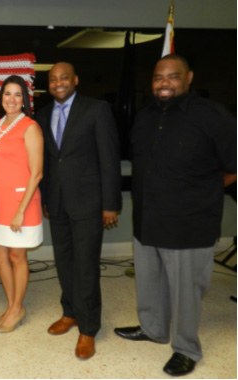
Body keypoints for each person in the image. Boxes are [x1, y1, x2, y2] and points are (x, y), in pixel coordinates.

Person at [114, 54, 236, 376]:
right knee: (150, 282)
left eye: (172, 76)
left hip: (188, 225)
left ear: (189, 77)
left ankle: (186, 349)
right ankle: (153, 329)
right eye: (158, 77)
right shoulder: (144, 116)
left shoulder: (212, 116)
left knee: (185, 293)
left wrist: (205, 189)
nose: (164, 83)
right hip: (148, 221)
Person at [36, 62, 122, 360]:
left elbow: (109, 158)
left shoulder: (96, 109)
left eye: (64, 78)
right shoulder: (43, 114)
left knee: (86, 266)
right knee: (64, 261)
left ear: (75, 80)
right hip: (57, 202)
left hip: (89, 202)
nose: (58, 83)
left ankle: (89, 328)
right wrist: (46, 197)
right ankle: (70, 312)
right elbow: (49, 162)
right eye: (53, 79)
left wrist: (111, 204)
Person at [0, 75, 44, 334]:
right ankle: (12, 307)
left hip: (22, 201)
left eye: (17, 94)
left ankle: (17, 306)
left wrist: (21, 210)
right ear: (1, 98)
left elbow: (37, 173)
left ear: (24, 100)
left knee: (16, 256)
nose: (11, 99)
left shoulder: (30, 127)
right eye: (7, 94)